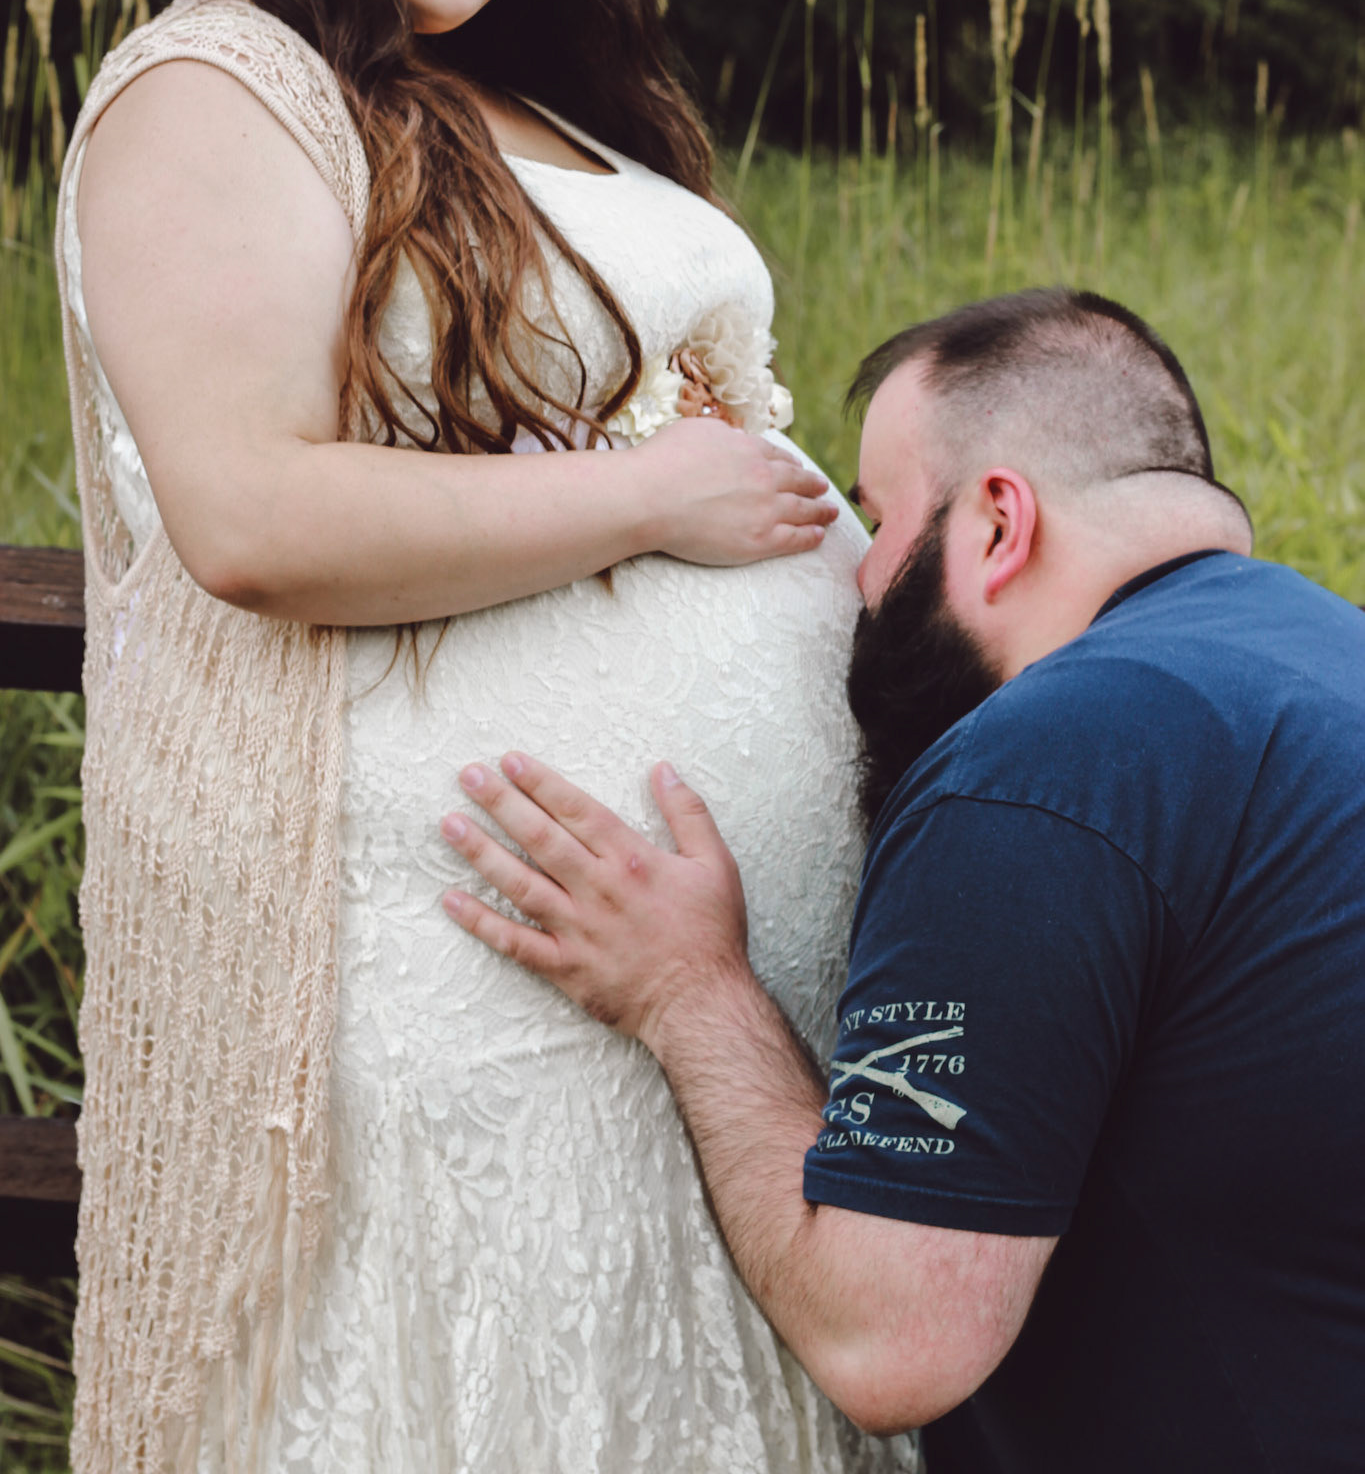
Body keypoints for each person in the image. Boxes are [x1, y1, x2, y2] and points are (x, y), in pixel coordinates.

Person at [57, 0, 909, 1472]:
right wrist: (658, 501)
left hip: (692, 991)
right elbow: (250, 517)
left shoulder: (493, 88)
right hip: (459, 967)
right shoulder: (215, 89)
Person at [441, 288, 1365, 1474]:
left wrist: (686, 988)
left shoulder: (1044, 763)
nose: (860, 577)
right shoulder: (1324, 653)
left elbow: (891, 1338)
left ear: (999, 521)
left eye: (875, 518)